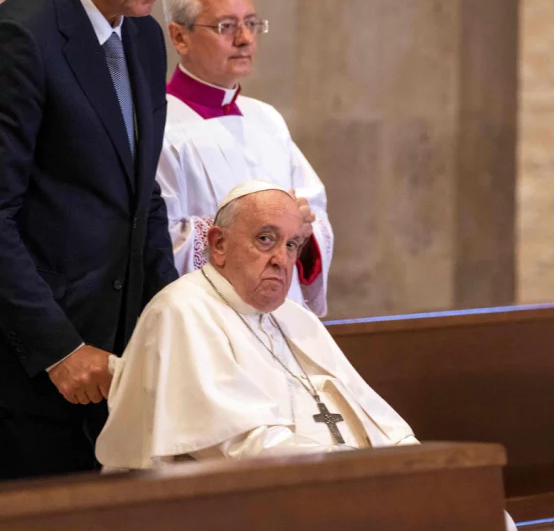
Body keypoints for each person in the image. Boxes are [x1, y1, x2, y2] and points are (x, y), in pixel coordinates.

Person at [0, 0, 193, 479]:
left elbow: (145, 198)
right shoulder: (22, 35)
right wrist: (57, 348)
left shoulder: (142, 37)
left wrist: (175, 318)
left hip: (124, 357)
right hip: (36, 368)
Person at [97, 181, 415, 463]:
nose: (281, 259)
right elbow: (238, 445)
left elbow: (375, 416)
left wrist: (409, 458)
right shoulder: (182, 311)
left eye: (291, 245)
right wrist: (348, 468)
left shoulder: (294, 317)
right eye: (266, 239)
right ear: (218, 245)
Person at [157, 0, 332, 316]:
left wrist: (301, 228)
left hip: (281, 317)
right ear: (180, 37)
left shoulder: (266, 119)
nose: (244, 39)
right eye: (226, 26)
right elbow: (157, 239)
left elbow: (315, 217)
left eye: (251, 24)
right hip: (207, 322)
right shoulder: (158, 124)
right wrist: (251, 232)